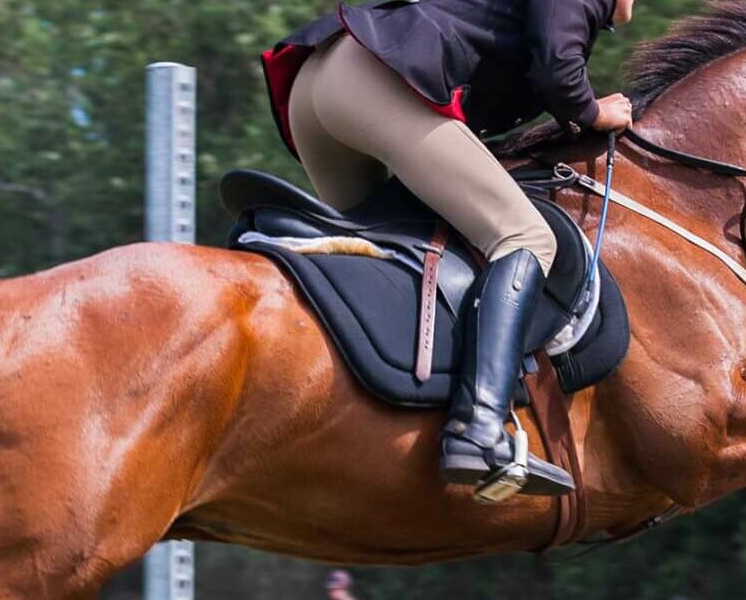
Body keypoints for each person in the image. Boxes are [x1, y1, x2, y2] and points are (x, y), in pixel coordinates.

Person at [259, 0, 636, 497]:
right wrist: (592, 110)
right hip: (372, 84)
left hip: (319, 84)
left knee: (388, 255)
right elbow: (555, 66)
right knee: (524, 237)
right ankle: (479, 431)